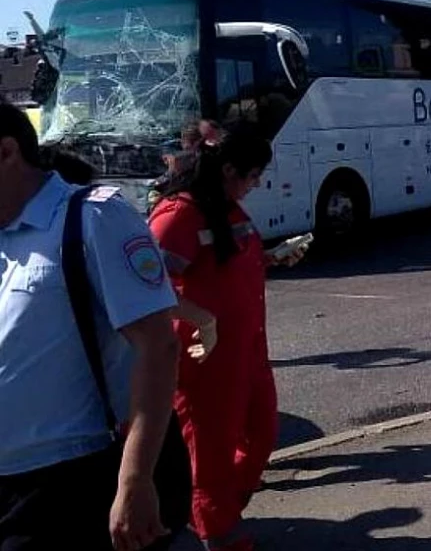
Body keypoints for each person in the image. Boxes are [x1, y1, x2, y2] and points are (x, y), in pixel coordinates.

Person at [0, 101, 182, 550]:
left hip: (70, 482)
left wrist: (135, 481)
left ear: (6, 153)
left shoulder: (93, 216)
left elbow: (157, 346)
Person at [148, 123, 306, 551]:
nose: (256, 185)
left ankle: (218, 509)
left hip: (247, 350)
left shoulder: (226, 207)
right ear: (229, 168)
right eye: (253, 175)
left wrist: (272, 256)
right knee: (211, 453)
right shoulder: (179, 213)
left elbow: (226, 266)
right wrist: (203, 320)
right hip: (206, 358)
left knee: (262, 432)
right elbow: (144, 287)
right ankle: (216, 530)